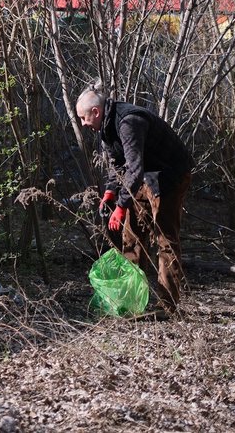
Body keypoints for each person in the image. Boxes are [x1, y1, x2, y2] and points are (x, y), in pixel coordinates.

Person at [76, 88, 194, 315]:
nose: (82, 123)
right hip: (146, 175)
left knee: (165, 239)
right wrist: (110, 193)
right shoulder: (105, 127)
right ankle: (130, 301)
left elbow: (134, 169)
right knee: (132, 234)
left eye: (83, 118)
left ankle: (167, 307)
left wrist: (121, 206)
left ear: (95, 111)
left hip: (171, 175)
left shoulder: (129, 122)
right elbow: (117, 165)